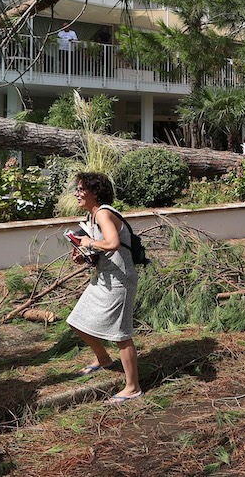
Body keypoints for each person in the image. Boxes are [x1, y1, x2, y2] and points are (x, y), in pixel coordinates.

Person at [66, 172, 143, 403]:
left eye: (81, 189)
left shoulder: (103, 213)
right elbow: (104, 249)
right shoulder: (93, 216)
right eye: (77, 189)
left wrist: (89, 242)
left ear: (94, 193)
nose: (76, 193)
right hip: (104, 277)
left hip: (120, 281)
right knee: (77, 320)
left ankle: (133, 387)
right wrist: (85, 255)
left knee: (121, 334)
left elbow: (112, 243)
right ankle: (103, 359)